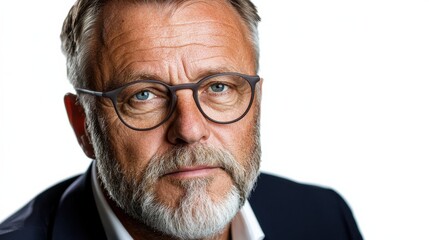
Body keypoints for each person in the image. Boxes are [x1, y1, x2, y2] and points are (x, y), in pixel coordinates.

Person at [0, 0, 363, 239]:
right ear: (83, 126)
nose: (189, 129)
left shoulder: (324, 219)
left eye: (218, 87)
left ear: (257, 103)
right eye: (143, 95)